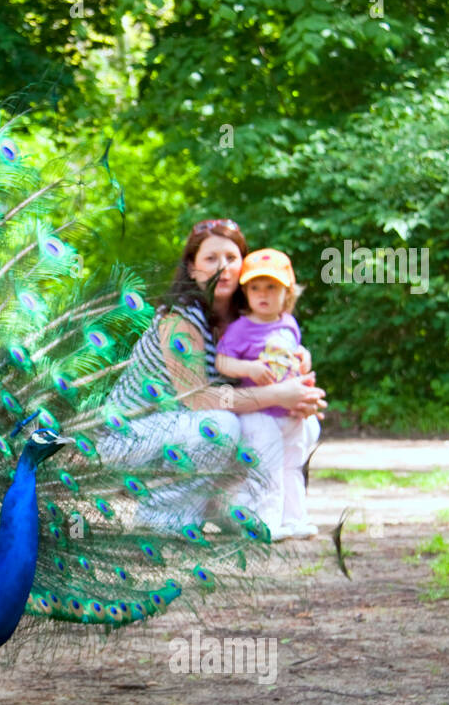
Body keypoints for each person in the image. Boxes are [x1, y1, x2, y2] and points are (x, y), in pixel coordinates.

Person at [98, 219, 326, 536]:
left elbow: (256, 381)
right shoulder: (179, 318)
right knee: (220, 426)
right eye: (210, 259)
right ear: (192, 268)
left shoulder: (244, 321)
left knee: (301, 424)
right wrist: (278, 396)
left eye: (232, 259)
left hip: (186, 428)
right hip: (134, 432)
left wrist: (297, 393)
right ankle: (161, 515)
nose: (223, 267)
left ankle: (236, 508)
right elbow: (196, 399)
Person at [215, 248, 318, 540]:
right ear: (245, 292)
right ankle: (267, 522)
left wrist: (303, 355)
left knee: (292, 465)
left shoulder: (288, 323)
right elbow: (223, 361)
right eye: (255, 287)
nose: (263, 294)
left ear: (287, 292)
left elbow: (291, 352)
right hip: (258, 412)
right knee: (268, 465)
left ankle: (295, 519)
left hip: (287, 412)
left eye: (272, 287)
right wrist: (248, 367)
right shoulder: (240, 328)